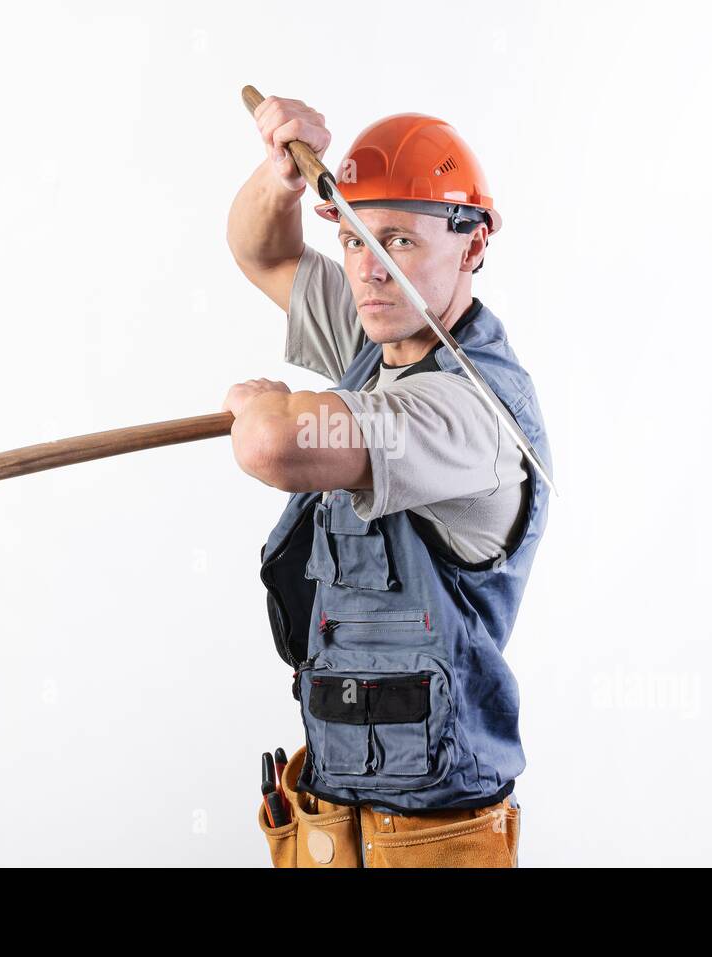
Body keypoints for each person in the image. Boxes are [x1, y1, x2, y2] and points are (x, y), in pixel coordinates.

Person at [225, 96, 552, 867]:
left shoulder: (465, 415)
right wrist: (282, 175)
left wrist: (267, 407)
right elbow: (261, 253)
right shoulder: (384, 330)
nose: (367, 267)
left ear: (473, 245)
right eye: (351, 238)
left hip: (434, 839)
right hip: (335, 818)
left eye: (397, 239)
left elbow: (275, 445)